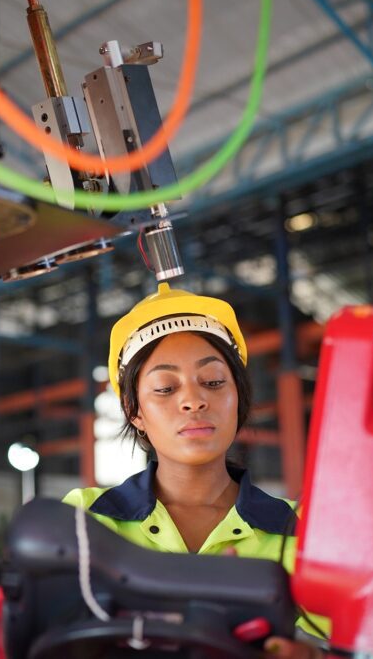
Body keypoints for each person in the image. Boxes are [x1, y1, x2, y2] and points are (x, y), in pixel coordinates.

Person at [63, 282, 328, 658]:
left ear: (239, 397)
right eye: (166, 388)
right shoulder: (85, 519)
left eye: (214, 382)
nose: (193, 400)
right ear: (134, 411)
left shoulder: (302, 530)